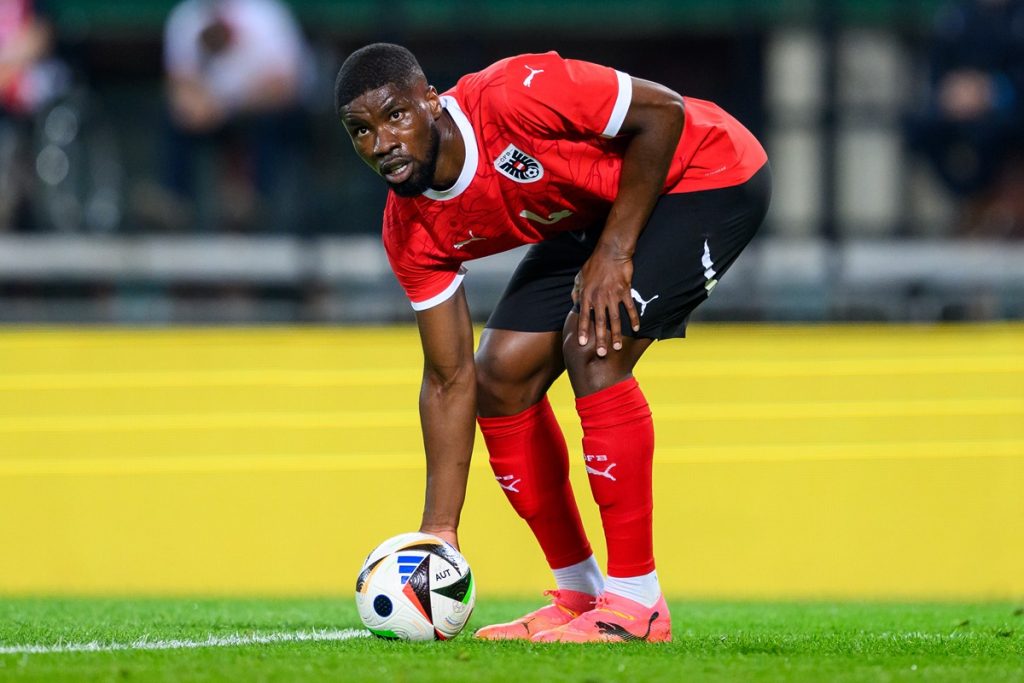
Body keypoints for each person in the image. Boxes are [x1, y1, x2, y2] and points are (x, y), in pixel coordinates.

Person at [335, 43, 770, 643]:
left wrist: (615, 253)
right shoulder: (408, 230)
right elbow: (448, 378)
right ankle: (581, 592)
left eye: (395, 116)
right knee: (499, 379)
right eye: (361, 130)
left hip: (704, 175)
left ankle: (637, 605)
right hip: (594, 213)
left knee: (594, 343)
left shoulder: (516, 93)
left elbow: (663, 113)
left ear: (431, 101)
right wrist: (439, 532)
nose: (381, 142)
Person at [160, 0, 313, 230]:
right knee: (175, 122)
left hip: (262, 109)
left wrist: (227, 105)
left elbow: (286, 86)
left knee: (267, 123)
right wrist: (196, 109)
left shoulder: (265, 13)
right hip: (213, 112)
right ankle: (174, 201)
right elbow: (179, 85)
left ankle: (256, 202)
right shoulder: (186, 16)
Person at [908, 0, 1024, 232]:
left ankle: (1003, 206)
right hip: (963, 108)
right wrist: (952, 93)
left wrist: (992, 91)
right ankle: (973, 200)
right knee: (923, 127)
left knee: (997, 130)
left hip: (1010, 108)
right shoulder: (958, 15)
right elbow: (939, 68)